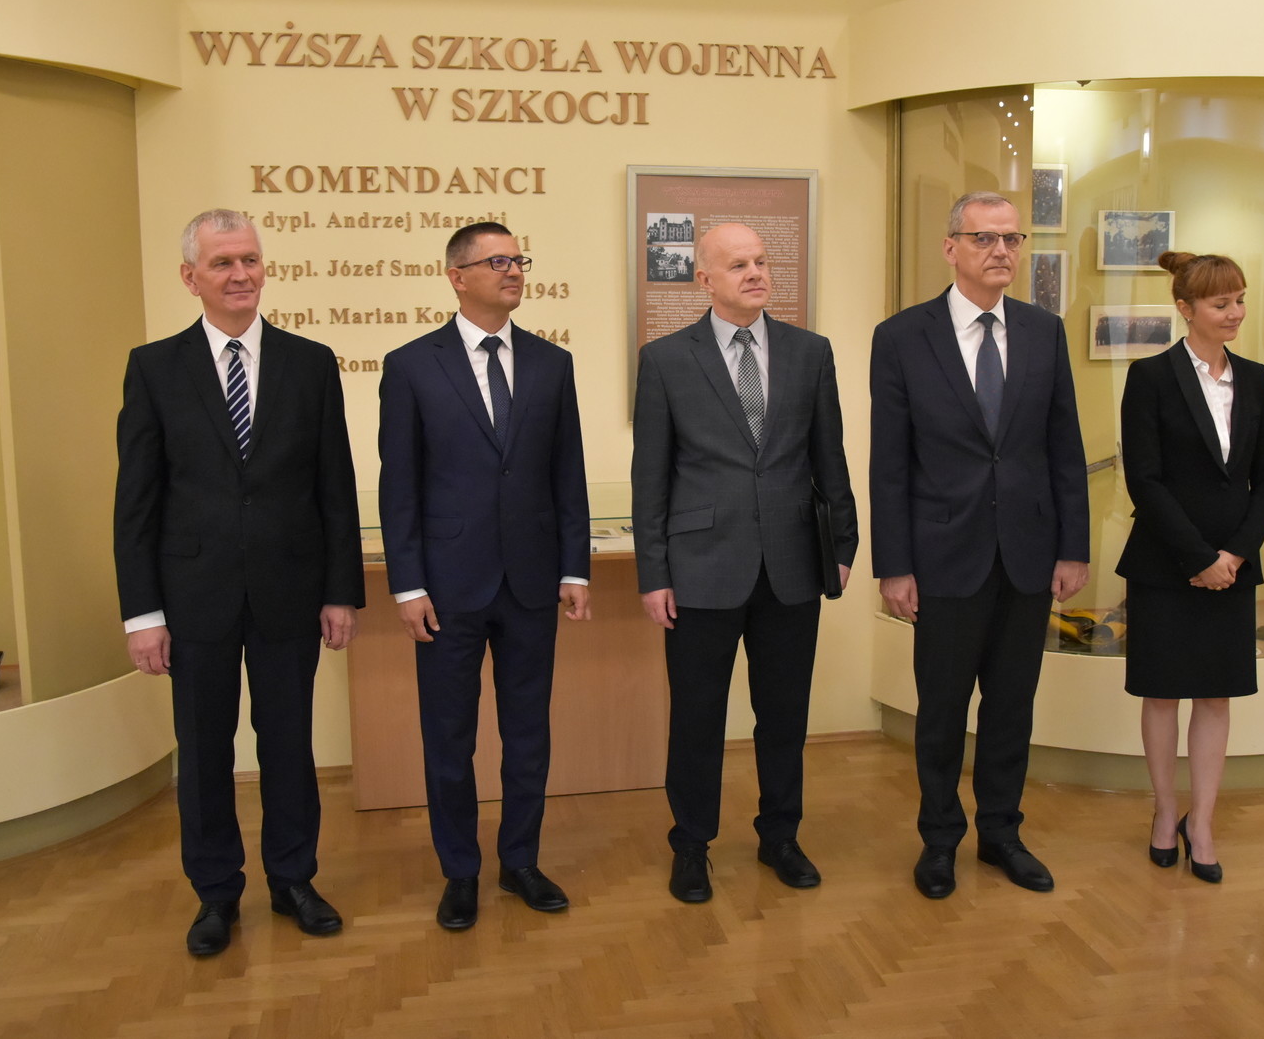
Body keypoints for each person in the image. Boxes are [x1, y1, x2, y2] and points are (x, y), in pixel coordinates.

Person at [114, 208, 365, 956]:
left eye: (249, 259)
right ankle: (216, 894)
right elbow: (137, 502)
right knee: (204, 753)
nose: (240, 274)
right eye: (222, 262)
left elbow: (335, 488)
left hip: (291, 592)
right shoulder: (155, 368)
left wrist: (340, 590)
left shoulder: (310, 363)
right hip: (194, 598)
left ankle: (293, 879)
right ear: (190, 277)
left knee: (288, 745)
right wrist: (142, 615)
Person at [869, 191, 1089, 899]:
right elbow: (888, 462)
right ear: (951, 248)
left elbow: (1064, 447)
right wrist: (894, 566)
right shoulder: (902, 337)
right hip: (942, 557)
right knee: (941, 710)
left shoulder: (1043, 332)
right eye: (985, 238)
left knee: (1011, 707)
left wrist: (1073, 547)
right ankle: (940, 840)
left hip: (1027, 554)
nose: (1001, 251)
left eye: (1011, 239)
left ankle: (1001, 833)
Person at [631, 222, 857, 903]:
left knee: (783, 715)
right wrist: (654, 572)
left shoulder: (809, 352)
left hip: (793, 565)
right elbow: (651, 476)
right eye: (738, 265)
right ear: (704, 279)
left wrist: (842, 546)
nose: (756, 273)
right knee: (697, 718)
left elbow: (831, 457)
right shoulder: (666, 359)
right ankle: (691, 844)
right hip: (700, 567)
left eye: (761, 261)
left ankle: (780, 836)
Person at [377, 222, 590, 931]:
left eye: (518, 259)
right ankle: (460, 871)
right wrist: (407, 585)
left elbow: (567, 475)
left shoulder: (551, 364)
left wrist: (574, 567)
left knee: (528, 734)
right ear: (457, 276)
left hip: (531, 582)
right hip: (446, 588)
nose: (513, 271)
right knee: (450, 738)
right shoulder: (412, 366)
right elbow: (399, 486)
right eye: (497, 261)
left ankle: (521, 860)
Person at [1117, 250, 1264, 883]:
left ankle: (1203, 823)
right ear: (1185, 308)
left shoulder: (1257, 379)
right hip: (1166, 563)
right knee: (1162, 694)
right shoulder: (1150, 376)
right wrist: (1199, 558)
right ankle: (1165, 814)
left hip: (1233, 568)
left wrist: (1234, 555)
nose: (1235, 312)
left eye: (1240, 300)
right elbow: (1145, 479)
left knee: (1216, 695)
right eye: (1221, 303)